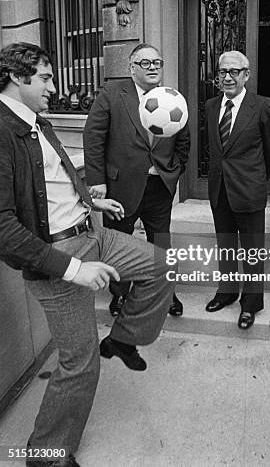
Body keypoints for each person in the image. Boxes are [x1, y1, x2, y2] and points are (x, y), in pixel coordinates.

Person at [0, 42, 173, 467]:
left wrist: (91, 200)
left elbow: (53, 179)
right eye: (45, 77)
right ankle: (45, 455)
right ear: (17, 77)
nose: (53, 87)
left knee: (161, 265)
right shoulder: (2, 131)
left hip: (92, 233)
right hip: (57, 255)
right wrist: (74, 269)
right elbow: (4, 228)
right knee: (80, 364)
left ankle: (122, 338)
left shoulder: (35, 121)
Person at [83, 43, 190, 317]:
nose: (153, 67)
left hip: (160, 186)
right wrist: (97, 181)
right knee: (119, 242)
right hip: (121, 187)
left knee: (161, 243)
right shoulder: (112, 93)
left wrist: (174, 169)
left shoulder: (172, 98)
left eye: (157, 62)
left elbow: (184, 141)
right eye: (146, 63)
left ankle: (166, 294)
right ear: (132, 68)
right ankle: (120, 295)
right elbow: (93, 137)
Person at [205, 50, 270, 329]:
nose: (227, 77)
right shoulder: (212, 105)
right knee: (225, 246)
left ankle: (251, 303)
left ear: (246, 75)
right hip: (219, 189)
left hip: (248, 190)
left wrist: (256, 178)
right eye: (223, 72)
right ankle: (226, 292)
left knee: (251, 250)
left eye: (234, 72)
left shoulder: (261, 106)